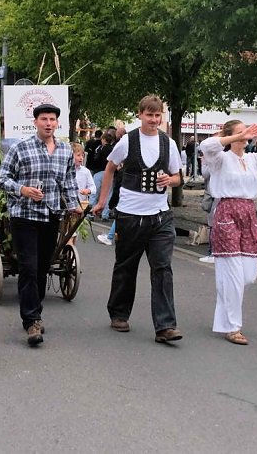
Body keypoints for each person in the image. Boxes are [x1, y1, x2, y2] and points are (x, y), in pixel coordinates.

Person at [92, 95, 184, 343]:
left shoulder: (168, 144)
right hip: (130, 215)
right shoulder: (128, 141)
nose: (153, 120)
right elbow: (110, 168)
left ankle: (165, 326)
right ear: (140, 115)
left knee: (162, 268)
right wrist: (102, 201)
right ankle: (119, 313)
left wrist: (170, 180)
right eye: (149, 115)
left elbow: (178, 177)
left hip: (160, 216)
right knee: (126, 266)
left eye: (157, 115)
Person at [198, 121, 257, 345]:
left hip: (248, 214)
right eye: (240, 132)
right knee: (231, 272)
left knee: (248, 273)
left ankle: (225, 313)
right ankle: (233, 327)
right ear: (230, 136)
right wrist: (234, 136)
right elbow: (206, 146)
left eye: (246, 131)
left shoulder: (254, 160)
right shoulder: (220, 159)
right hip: (227, 212)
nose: (246, 135)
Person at [0, 103, 81, 347]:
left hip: (51, 216)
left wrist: (74, 205)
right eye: (44, 119)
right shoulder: (20, 148)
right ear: (35, 122)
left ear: (57, 123)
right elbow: (1, 178)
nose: (48, 123)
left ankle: (35, 311)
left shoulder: (65, 151)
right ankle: (31, 320)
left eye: (52, 119)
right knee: (29, 268)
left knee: (43, 267)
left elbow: (69, 182)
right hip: (24, 216)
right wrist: (22, 189)